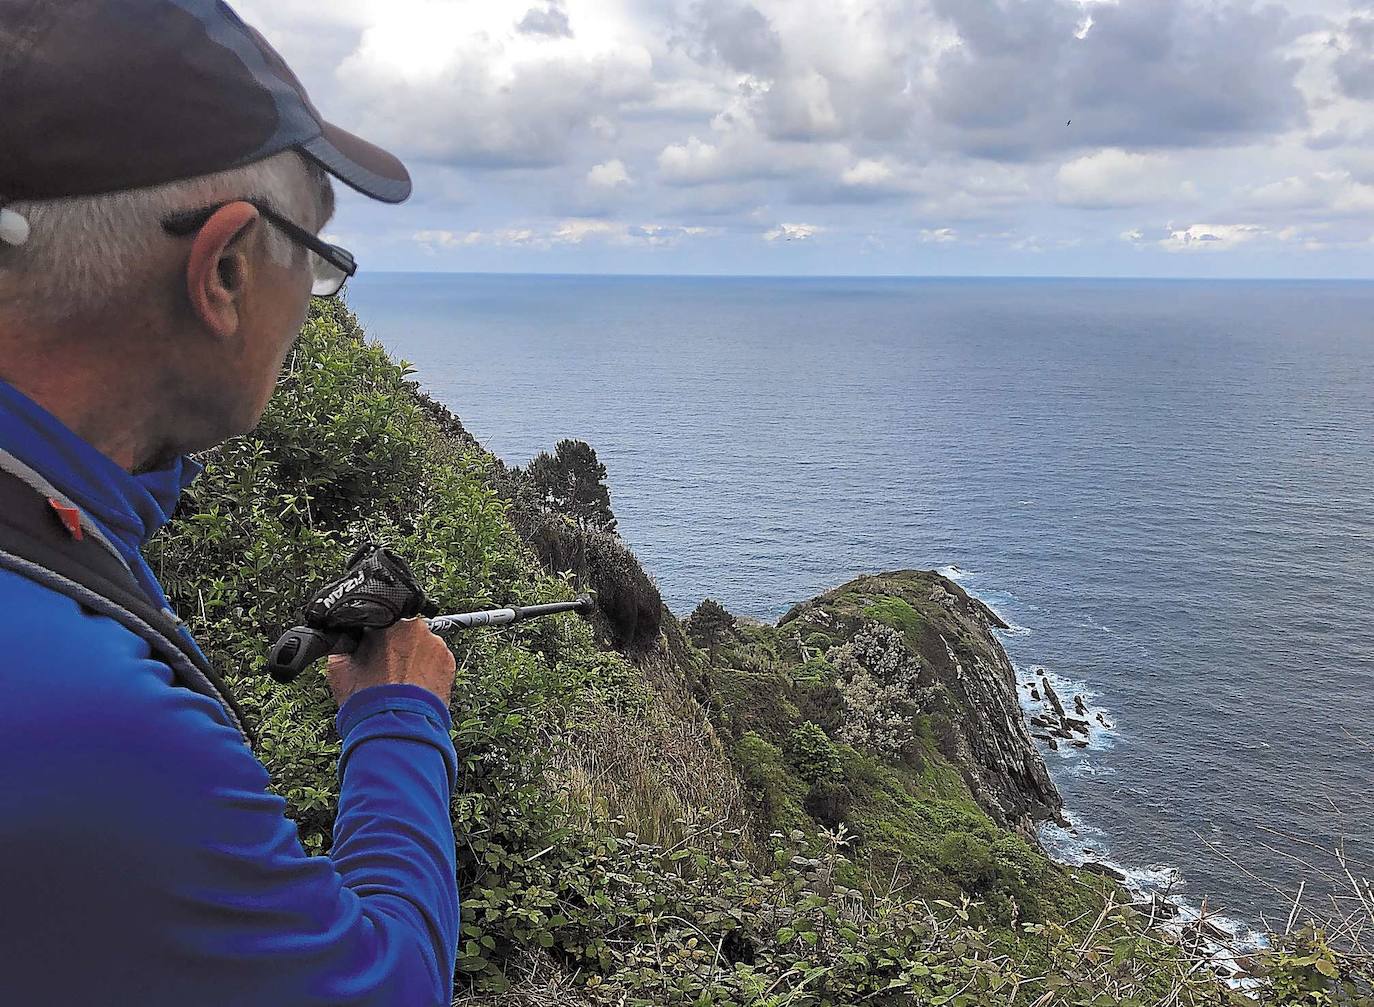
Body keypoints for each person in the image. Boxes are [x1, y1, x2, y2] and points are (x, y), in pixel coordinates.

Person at [0, 2, 460, 1004]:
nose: (315, 301)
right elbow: (386, 986)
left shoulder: (45, 527)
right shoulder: (93, 727)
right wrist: (398, 713)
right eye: (317, 255)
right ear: (224, 267)